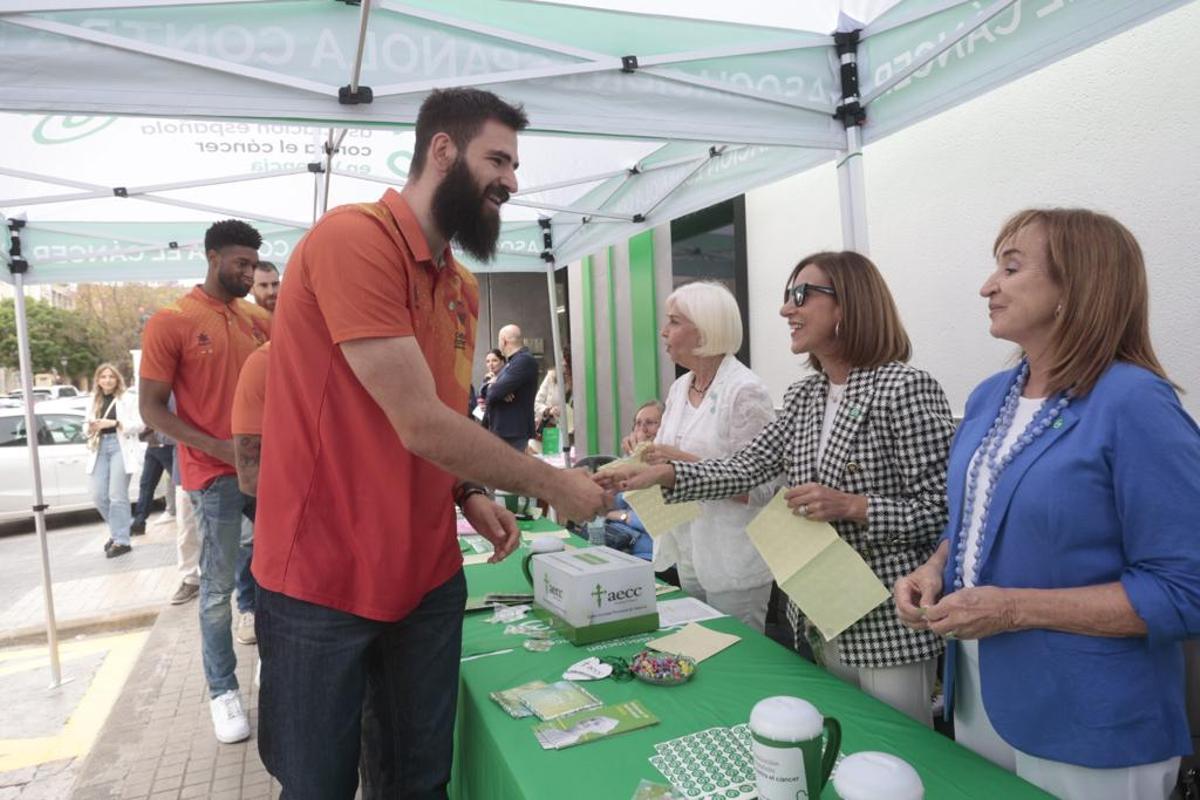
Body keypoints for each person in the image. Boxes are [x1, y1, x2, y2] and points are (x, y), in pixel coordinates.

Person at [250, 87, 607, 799]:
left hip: (426, 576)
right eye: (497, 158)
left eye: (514, 163)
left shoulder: (460, 286)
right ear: (441, 151)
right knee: (317, 786)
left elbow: (444, 414)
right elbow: (417, 420)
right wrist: (553, 483)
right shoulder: (354, 239)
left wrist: (468, 490)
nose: (511, 179)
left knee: (419, 782)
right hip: (322, 577)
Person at [894, 209, 1200, 799]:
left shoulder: (1135, 403)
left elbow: (1185, 589)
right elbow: (982, 519)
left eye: (1011, 267)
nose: (988, 286)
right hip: (979, 697)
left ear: (1077, 288)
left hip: (1092, 721)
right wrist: (935, 568)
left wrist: (1012, 609)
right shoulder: (990, 397)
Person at [607, 256, 954, 725]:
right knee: (845, 740)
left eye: (800, 295)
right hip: (822, 609)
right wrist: (666, 475)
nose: (785, 310)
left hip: (886, 615)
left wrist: (854, 506)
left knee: (903, 752)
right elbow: (747, 466)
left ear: (848, 306)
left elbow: (942, 511)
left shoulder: (905, 388)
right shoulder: (804, 395)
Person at [139, 219, 271, 745]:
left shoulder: (259, 319)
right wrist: (217, 446)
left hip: (268, 472)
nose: (248, 272)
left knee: (275, 573)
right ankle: (222, 689)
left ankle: (273, 661)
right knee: (216, 588)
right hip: (213, 475)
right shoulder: (171, 322)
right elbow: (151, 409)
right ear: (212, 256)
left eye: (253, 264)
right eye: (240, 263)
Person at [604, 282, 779, 631]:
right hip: (687, 548)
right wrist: (641, 453)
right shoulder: (680, 387)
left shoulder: (745, 391)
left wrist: (676, 461)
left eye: (674, 322)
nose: (663, 331)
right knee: (698, 648)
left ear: (705, 329)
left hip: (733, 559)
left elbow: (761, 489)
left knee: (735, 661)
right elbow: (665, 460)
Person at [86, 363, 143, 559]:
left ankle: (122, 540)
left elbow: (141, 424)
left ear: (117, 379)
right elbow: (84, 425)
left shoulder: (128, 399)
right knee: (98, 495)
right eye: (103, 377)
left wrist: (115, 423)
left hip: (121, 447)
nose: (107, 380)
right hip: (100, 447)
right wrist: (90, 427)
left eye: (111, 376)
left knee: (117, 495)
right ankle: (119, 531)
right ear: (98, 380)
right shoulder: (93, 399)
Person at [604, 400, 664, 560]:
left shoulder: (668, 464)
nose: (643, 430)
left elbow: (657, 519)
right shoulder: (630, 459)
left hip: (649, 554)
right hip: (616, 542)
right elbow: (607, 506)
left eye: (650, 423)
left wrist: (624, 516)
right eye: (638, 424)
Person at [485, 324, 539, 451]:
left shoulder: (523, 361)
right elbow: (490, 389)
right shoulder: (512, 362)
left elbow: (494, 393)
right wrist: (497, 386)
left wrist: (497, 387)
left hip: (513, 434)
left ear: (504, 341)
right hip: (504, 433)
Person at [129, 425, 174, 535]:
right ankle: (139, 522)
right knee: (146, 484)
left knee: (181, 483)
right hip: (153, 445)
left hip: (164, 444)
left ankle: (139, 522)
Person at [475, 347, 505, 423]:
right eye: (487, 361)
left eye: (494, 360)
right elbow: (480, 397)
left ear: (502, 362)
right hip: (486, 421)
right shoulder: (487, 379)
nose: (490, 364)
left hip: (501, 421)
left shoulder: (506, 379)